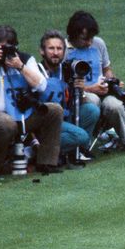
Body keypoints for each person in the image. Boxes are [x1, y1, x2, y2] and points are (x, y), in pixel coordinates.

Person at [65, 11, 125, 153]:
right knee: (93, 101)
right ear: (73, 35)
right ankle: (84, 143)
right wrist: (91, 88)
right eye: (85, 39)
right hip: (79, 94)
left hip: (102, 90)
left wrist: (111, 81)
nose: (89, 42)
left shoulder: (99, 44)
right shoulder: (65, 50)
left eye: (91, 38)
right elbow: (65, 84)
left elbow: (107, 69)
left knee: (115, 105)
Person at [0, 25, 63, 176]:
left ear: (16, 47)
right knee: (6, 123)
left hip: (24, 114)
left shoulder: (25, 59)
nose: (5, 52)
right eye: (1, 48)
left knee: (54, 110)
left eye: (9, 48)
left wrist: (21, 67)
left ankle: (46, 162)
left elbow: (42, 86)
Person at [38, 30, 100, 165]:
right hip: (46, 121)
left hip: (65, 117)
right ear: (42, 51)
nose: (55, 52)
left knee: (91, 110)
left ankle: (74, 151)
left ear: (64, 51)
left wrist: (80, 89)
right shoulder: (36, 72)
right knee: (81, 136)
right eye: (51, 48)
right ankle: (42, 150)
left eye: (59, 48)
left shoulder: (67, 70)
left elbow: (78, 102)